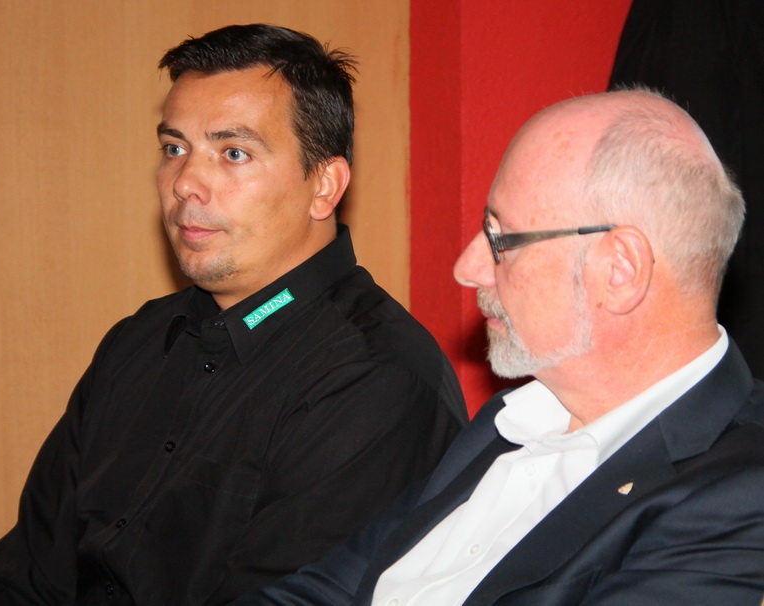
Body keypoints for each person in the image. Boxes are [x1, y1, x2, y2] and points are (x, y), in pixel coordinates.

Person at [0, 24, 467, 605]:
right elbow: (20, 577)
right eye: (175, 149)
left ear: (324, 186)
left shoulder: (377, 379)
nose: (185, 184)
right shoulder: (138, 340)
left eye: (233, 153)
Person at [234, 89, 764, 605]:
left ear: (620, 271)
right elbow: (327, 589)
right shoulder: (507, 423)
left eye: (500, 239)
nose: (467, 269)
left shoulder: (739, 494)